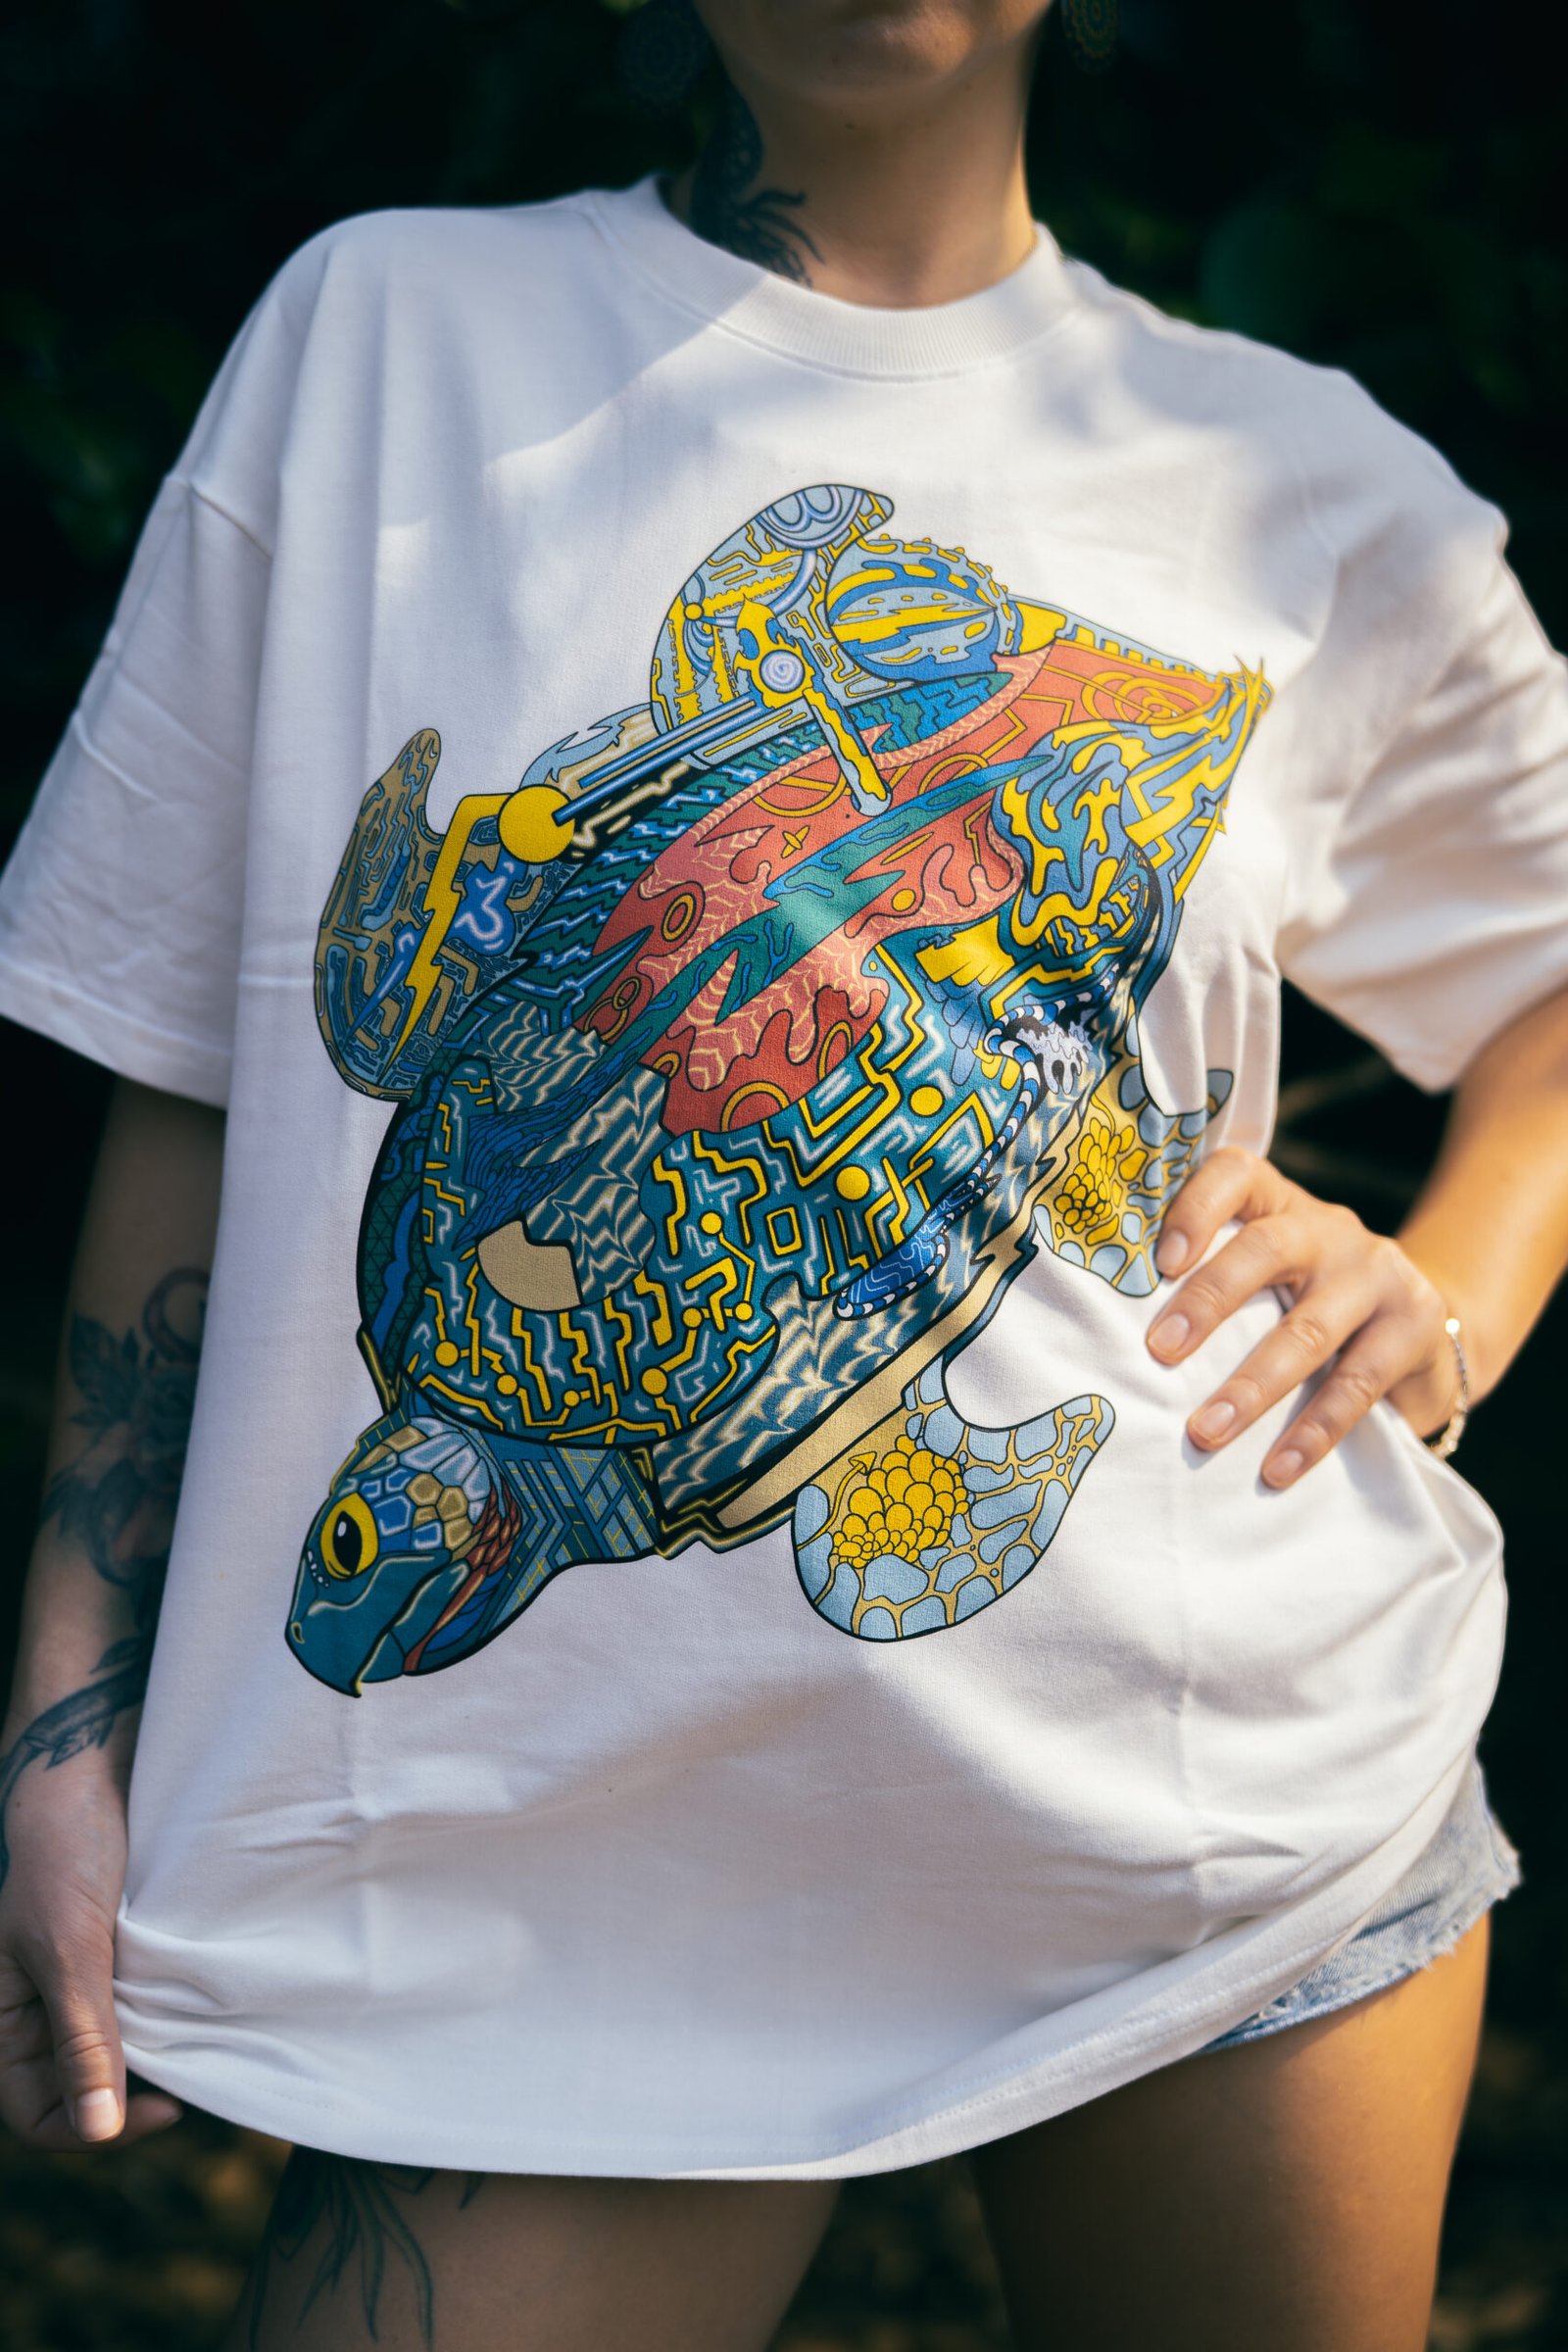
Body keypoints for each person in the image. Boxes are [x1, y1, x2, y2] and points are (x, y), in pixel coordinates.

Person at [2, 3, 1566, 2345]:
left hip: (1218, 1815)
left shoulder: (1288, 476)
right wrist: (64, 1723)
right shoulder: (387, 339)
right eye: (375, 1560)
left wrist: (1442, 1288)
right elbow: (182, 1070)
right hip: (533, 1924)